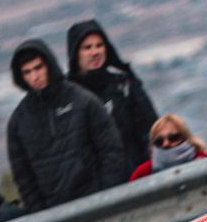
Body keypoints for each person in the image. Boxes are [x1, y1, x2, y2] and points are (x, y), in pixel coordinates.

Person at [6, 40, 127, 212]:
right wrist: (40, 214)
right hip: (54, 215)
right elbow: (23, 177)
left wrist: (106, 196)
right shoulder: (18, 122)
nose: (34, 76)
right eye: (27, 72)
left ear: (49, 65)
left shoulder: (83, 101)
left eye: (38, 68)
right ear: (21, 77)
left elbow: (111, 151)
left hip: (96, 203)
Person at [66, 20, 160, 174]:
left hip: (137, 175)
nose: (95, 52)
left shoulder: (124, 84)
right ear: (75, 53)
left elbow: (150, 129)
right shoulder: (68, 98)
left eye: (99, 45)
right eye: (87, 47)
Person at [130, 114, 207, 180]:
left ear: (185, 137)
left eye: (173, 138)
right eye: (159, 141)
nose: (166, 143)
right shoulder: (142, 173)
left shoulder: (206, 161)